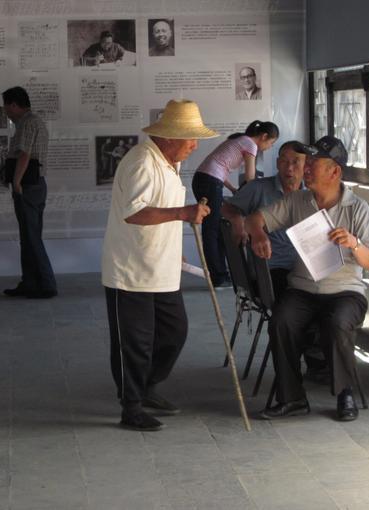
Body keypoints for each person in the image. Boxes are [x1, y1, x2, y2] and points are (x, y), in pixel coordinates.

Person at [101, 99, 217, 431]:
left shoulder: (170, 161)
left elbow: (162, 210)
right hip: (131, 271)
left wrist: (175, 247)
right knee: (134, 342)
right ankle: (131, 405)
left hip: (162, 268)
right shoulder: (142, 162)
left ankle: (147, 386)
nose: (195, 146)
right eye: (191, 138)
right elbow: (134, 212)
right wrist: (184, 213)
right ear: (168, 136)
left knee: (173, 332)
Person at [245, 136, 369, 422]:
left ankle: (345, 394)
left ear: (335, 172)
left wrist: (354, 243)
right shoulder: (297, 201)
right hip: (303, 288)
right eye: (309, 162)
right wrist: (258, 234)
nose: (307, 168)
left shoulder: (357, 208)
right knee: (282, 320)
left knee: (338, 323)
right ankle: (291, 398)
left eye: (314, 163)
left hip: (345, 291)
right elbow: (255, 219)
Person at [192, 120, 279, 287]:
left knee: (215, 227)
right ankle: (218, 276)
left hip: (204, 179)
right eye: (271, 143)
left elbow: (217, 167)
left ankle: (220, 274)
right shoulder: (250, 144)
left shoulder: (240, 140)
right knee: (212, 229)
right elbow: (250, 178)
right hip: (209, 181)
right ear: (264, 136)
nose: (269, 147)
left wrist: (233, 189)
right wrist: (250, 195)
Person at [221, 141, 306, 298]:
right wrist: (237, 219)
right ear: (277, 163)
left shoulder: (310, 195)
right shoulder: (258, 188)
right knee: (298, 302)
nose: (289, 168)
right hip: (269, 271)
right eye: (284, 161)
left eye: (295, 162)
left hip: (303, 269)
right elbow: (226, 207)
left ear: (307, 166)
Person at [2, 86, 57, 299]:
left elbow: (24, 154)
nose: (6, 111)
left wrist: (16, 182)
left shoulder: (28, 122)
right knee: (28, 236)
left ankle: (46, 283)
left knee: (31, 236)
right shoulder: (32, 122)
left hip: (28, 186)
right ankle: (30, 282)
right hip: (34, 185)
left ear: (14, 105)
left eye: (7, 106)